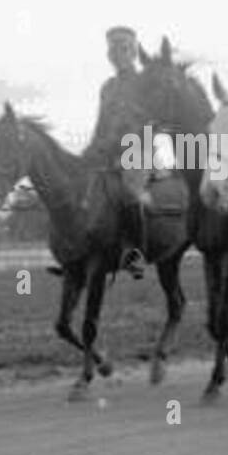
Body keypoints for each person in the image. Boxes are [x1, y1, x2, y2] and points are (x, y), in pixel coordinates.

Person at [82, 25, 147, 279]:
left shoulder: (144, 83)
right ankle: (79, 252)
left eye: (123, 47)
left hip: (138, 148)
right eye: (112, 48)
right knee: (80, 186)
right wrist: (88, 153)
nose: (117, 53)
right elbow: (100, 124)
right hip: (107, 150)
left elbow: (151, 120)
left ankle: (137, 254)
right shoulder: (107, 87)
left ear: (133, 51)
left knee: (130, 192)